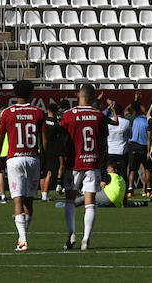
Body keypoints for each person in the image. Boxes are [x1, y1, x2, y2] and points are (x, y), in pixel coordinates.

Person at [0, 79, 47, 252]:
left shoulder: (8, 112)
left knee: (17, 199)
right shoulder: (38, 112)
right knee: (29, 200)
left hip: (14, 158)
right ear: (31, 93)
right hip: (33, 157)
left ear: (14, 93)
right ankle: (22, 238)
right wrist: (45, 160)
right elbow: (44, 140)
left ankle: (23, 240)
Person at [60, 83, 109, 251]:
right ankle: (86, 239)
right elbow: (103, 144)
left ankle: (72, 233)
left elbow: (64, 142)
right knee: (90, 202)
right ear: (94, 98)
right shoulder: (100, 116)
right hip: (92, 162)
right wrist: (99, 161)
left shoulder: (68, 115)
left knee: (70, 200)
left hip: (73, 163)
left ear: (78, 96)